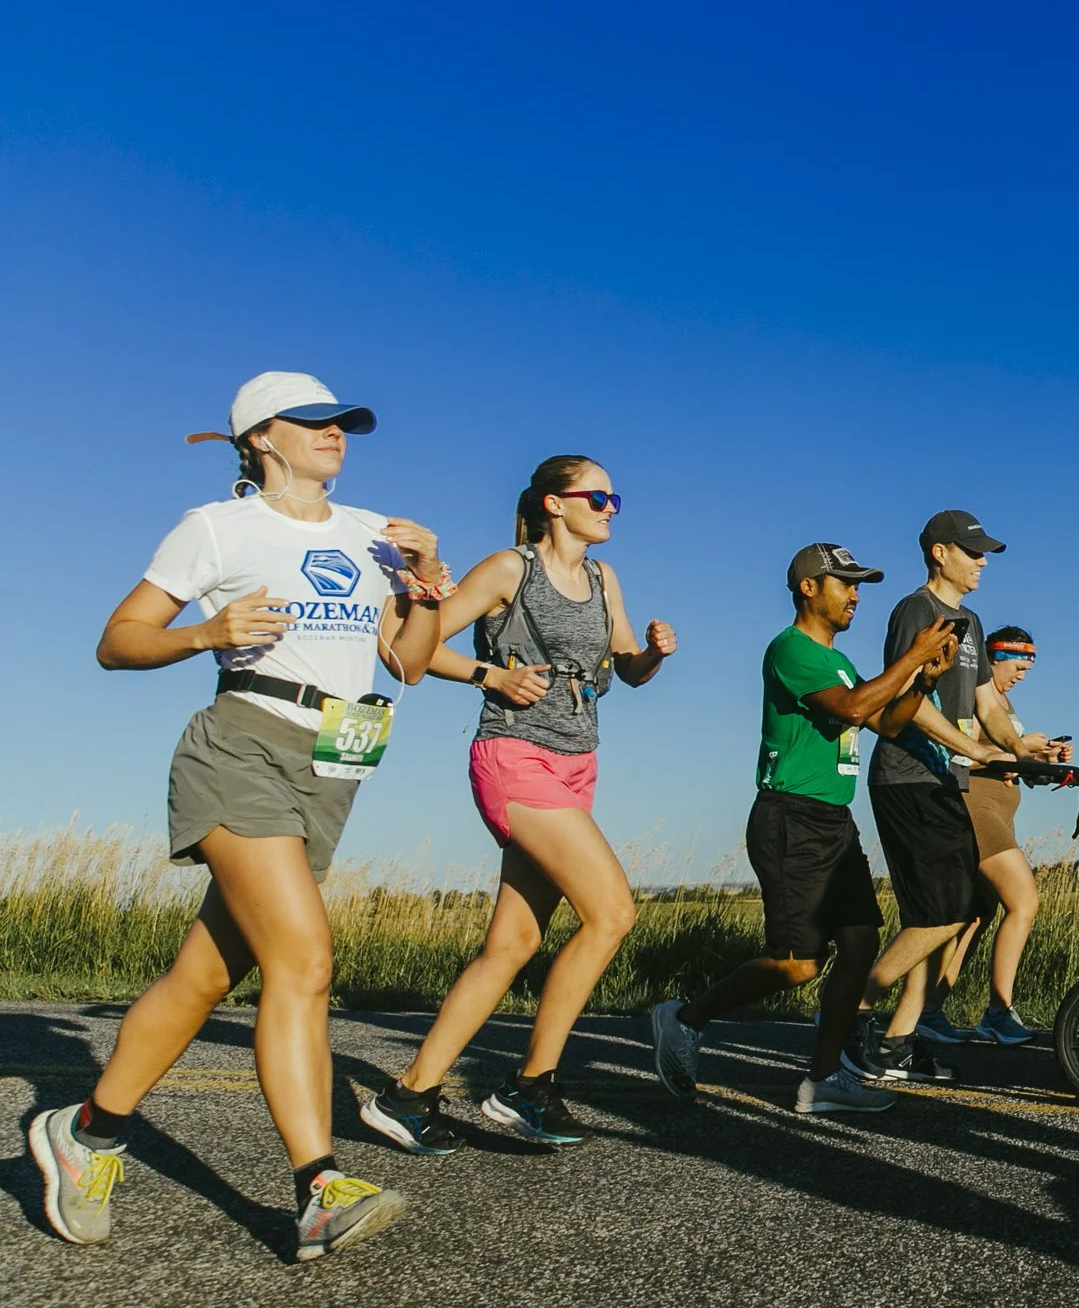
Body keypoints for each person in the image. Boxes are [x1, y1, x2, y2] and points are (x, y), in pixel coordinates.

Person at [29, 372, 447, 1262]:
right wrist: (205, 636)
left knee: (204, 978)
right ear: (261, 437)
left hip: (332, 764)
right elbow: (118, 640)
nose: (337, 433)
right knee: (304, 956)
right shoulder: (216, 527)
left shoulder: (376, 533)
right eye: (316, 422)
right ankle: (318, 1185)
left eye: (345, 423)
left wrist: (426, 590)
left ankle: (88, 1133)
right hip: (241, 743)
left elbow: (407, 664)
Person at [360, 456, 674, 1153]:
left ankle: (407, 1095)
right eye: (597, 495)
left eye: (614, 496)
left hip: (577, 762)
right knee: (612, 911)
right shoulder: (510, 569)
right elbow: (413, 652)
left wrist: (652, 654)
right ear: (554, 504)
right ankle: (530, 1084)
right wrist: (491, 673)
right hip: (513, 758)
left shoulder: (602, 578)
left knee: (513, 943)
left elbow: (624, 664)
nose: (611, 506)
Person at [647, 544, 957, 1114]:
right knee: (798, 962)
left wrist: (922, 682)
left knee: (861, 941)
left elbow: (887, 720)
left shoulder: (838, 662)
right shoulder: (791, 651)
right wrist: (911, 656)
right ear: (809, 588)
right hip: (791, 817)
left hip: (833, 820)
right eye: (846, 584)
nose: (856, 595)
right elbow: (857, 709)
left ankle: (823, 1079)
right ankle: (685, 1019)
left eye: (859, 585)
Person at [847, 511, 1056, 1084]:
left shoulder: (971, 619)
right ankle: (850, 1016)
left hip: (946, 781)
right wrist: (973, 748)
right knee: (948, 911)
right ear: (941, 553)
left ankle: (897, 1042)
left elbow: (989, 702)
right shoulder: (918, 611)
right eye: (972, 551)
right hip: (907, 775)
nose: (982, 561)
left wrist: (1016, 751)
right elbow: (907, 699)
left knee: (940, 912)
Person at [924, 626, 1072, 1047]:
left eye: (1028, 668)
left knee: (974, 916)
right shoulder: (976, 693)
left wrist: (1044, 760)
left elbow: (1009, 764)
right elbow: (964, 748)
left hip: (1000, 812)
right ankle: (997, 1011)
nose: (1022, 675)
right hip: (977, 809)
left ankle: (929, 1010)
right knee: (1024, 901)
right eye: (1018, 666)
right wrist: (1023, 746)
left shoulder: (1004, 702)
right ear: (994, 658)